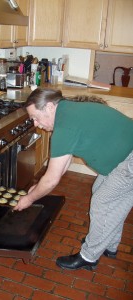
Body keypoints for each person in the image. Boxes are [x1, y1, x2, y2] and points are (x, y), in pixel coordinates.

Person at [13, 87, 133, 271]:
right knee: (102, 193)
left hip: (129, 159)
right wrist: (38, 186)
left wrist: (29, 199)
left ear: (50, 107)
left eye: (36, 117)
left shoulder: (64, 126)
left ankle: (89, 257)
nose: (36, 124)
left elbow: (52, 179)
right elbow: (62, 165)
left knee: (103, 203)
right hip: (123, 156)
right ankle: (108, 244)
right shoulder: (68, 111)